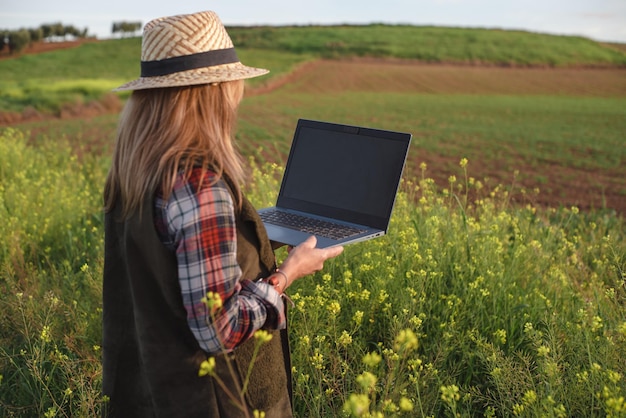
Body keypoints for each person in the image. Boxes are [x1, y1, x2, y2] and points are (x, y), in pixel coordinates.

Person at [102, 10, 343, 418]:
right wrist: (287, 274)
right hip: (214, 402)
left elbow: (168, 259)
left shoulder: (133, 171)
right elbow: (221, 329)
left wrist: (252, 235)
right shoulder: (199, 187)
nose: (239, 90)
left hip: (147, 394)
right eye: (235, 80)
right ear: (214, 88)